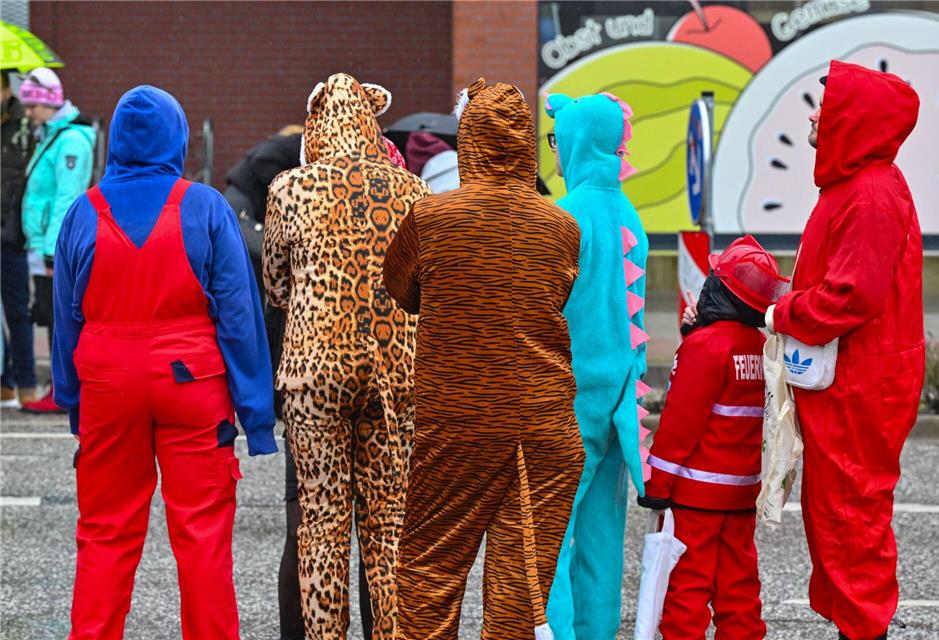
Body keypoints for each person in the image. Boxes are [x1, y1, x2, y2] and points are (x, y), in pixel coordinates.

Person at [52, 85, 278, 640]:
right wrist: (257, 415)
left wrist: (72, 401)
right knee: (202, 535)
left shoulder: (84, 212)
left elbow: (65, 319)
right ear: (178, 138)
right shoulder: (204, 207)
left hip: (107, 380)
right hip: (191, 380)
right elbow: (239, 317)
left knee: (105, 532)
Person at [384, 77, 585, 639]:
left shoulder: (431, 218)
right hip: (543, 425)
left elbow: (402, 292)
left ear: (467, 138)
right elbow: (554, 296)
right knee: (519, 596)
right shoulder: (561, 226)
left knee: (429, 572)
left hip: (459, 423)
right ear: (524, 145)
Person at [263, 73, 430, 639]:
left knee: (321, 525)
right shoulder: (413, 192)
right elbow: (421, 288)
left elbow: (277, 288)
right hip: (395, 372)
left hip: (316, 374)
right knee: (387, 530)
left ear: (316, 125)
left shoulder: (291, 188)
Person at [765, 60, 924, 640]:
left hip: (862, 381)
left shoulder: (870, 193)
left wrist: (782, 312)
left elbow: (853, 296)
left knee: (851, 513)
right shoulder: (860, 186)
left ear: (853, 119)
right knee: (838, 511)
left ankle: (863, 629)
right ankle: (856, 623)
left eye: (825, 105)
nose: (813, 114)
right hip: (853, 376)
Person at [541, 91, 649, 640]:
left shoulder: (563, 218)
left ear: (578, 143)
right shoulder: (631, 218)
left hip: (566, 401)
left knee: (545, 540)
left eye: (558, 140)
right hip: (620, 402)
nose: (554, 152)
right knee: (602, 539)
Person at [643, 236, 789, 640]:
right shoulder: (759, 347)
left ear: (717, 289)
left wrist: (658, 484)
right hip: (740, 494)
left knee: (686, 593)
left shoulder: (704, 346)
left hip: (695, 497)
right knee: (739, 592)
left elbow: (679, 425)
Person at [19, 67, 94, 414]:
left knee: (56, 317)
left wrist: (52, 252)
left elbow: (66, 198)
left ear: (48, 103)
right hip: (42, 245)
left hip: (51, 249)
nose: (28, 113)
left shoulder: (71, 141)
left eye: (32, 106)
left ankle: (63, 388)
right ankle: (58, 385)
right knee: (49, 315)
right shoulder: (53, 135)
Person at [1, 70, 37, 407]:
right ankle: (5, 380)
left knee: (17, 311)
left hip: (10, 233)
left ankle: (26, 381)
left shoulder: (24, 127)